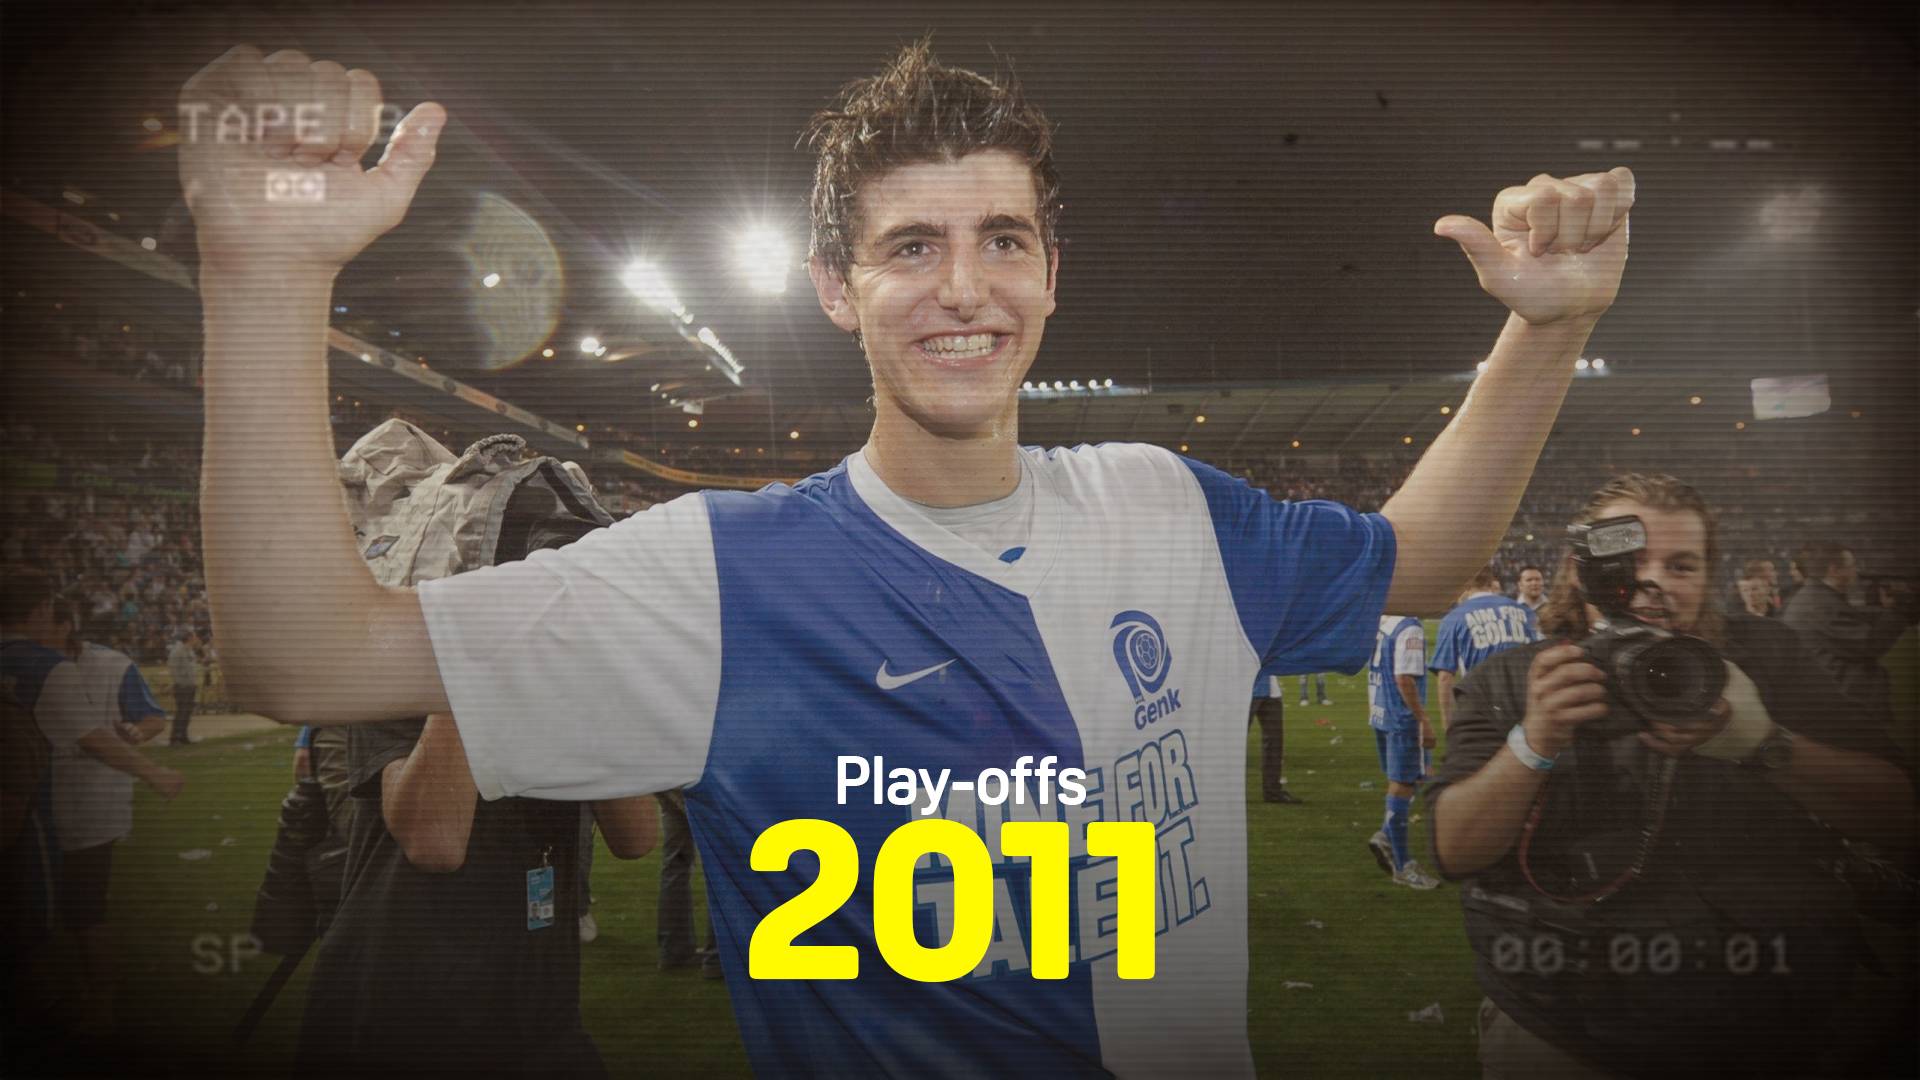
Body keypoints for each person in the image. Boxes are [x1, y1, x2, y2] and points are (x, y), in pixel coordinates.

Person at [183, 39, 1635, 1075]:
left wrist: (1548, 325)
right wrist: (265, 272)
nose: (964, 287)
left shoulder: (1167, 508)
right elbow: (301, 653)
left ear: (1052, 275)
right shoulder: (713, 574)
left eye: (1003, 239)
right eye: (910, 247)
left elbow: (1419, 562)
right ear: (836, 286)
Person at [1427, 474, 1914, 1078]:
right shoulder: (1516, 677)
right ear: (1579, 570)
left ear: (1708, 577)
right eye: (1628, 563)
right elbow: (1454, 850)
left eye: (1681, 565)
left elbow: (1900, 815)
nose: (1652, 583)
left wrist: (1766, 744)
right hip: (1566, 1029)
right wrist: (1534, 742)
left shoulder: (1767, 657)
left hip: (1774, 1025)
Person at [295, 713, 658, 1075]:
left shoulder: (557, 695)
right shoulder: (402, 692)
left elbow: (635, 834)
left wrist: (592, 699)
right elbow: (436, 845)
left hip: (540, 1007)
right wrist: (468, 681)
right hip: (404, 1011)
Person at [42, 607, 185, 1030]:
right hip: (34, 809)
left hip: (91, 805)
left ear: (65, 624)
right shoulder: (27, 661)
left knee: (84, 909)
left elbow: (153, 718)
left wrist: (138, 733)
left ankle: (100, 1003)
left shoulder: (111, 665)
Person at [1782, 541, 1914, 730]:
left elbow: (1853, 616)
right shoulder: (1820, 604)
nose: (1856, 571)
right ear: (1834, 570)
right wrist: (1899, 610)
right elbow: (1870, 645)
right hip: (1847, 705)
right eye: (1851, 565)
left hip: (1836, 699)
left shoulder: (1816, 596)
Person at [1366, 614, 1440, 889]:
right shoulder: (1409, 628)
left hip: (1381, 713)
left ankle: (1385, 836)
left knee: (1415, 777)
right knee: (1403, 785)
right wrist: (1423, 720)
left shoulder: (1383, 622)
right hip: (1403, 718)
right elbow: (1404, 678)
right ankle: (1403, 865)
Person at [1429, 566, 1540, 734]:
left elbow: (1445, 678)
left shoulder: (1455, 617)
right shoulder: (1525, 612)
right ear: (1491, 582)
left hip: (1481, 711)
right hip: (1524, 709)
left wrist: (1449, 727)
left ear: (1465, 585)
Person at [654, 789, 721, 978]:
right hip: (701, 779)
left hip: (667, 779)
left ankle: (674, 951)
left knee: (676, 861)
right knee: (721, 862)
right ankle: (717, 959)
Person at [1250, 672, 1301, 804]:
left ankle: (1273, 791)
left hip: (1271, 691)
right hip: (1246, 691)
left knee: (1274, 742)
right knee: (1233, 743)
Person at [165, 631, 200, 745]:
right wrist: (179, 683)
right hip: (183, 686)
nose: (196, 639)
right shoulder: (177, 651)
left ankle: (183, 736)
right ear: (189, 638)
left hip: (190, 685)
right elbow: (173, 669)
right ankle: (175, 738)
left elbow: (191, 668)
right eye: (194, 637)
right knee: (181, 712)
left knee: (187, 713)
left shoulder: (189, 650)